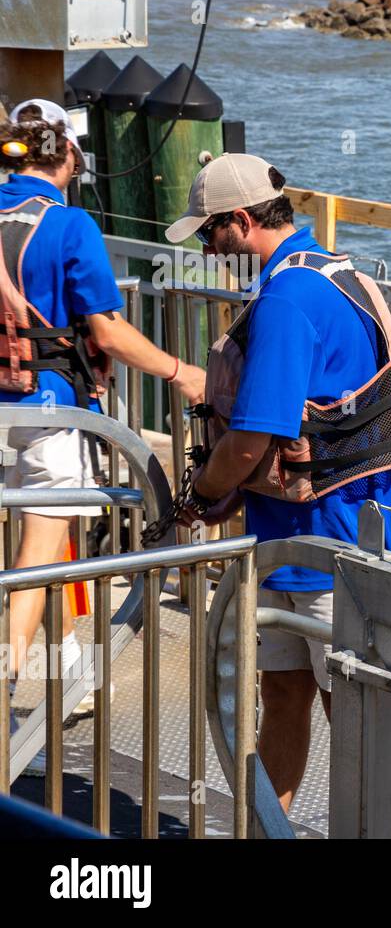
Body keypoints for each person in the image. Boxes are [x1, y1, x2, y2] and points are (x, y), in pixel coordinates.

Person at [165, 153, 391, 812]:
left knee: (353, 718)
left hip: (330, 553)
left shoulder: (284, 299)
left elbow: (253, 435)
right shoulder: (338, 272)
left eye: (207, 234)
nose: (207, 251)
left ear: (241, 223)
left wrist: (199, 497)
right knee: (283, 697)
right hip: (315, 538)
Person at [1, 100, 205, 777]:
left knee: (48, 552)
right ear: (66, 155)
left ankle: (66, 673)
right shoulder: (68, 225)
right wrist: (182, 372)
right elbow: (108, 330)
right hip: (51, 411)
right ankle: (7, 696)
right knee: (37, 564)